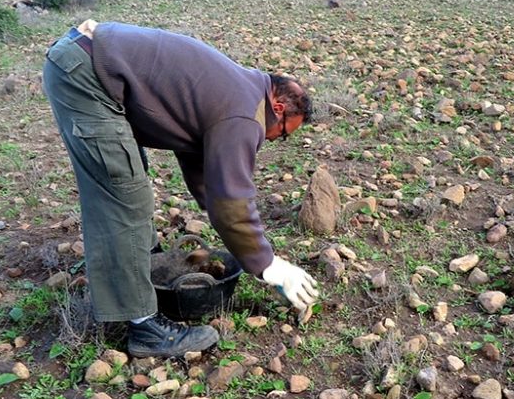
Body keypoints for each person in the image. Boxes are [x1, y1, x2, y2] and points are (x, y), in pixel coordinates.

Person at [42, 20, 320, 358]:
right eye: (284, 133)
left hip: (86, 60)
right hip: (88, 76)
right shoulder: (245, 114)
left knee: (128, 177)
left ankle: (145, 268)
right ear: (278, 108)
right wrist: (268, 265)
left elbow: (202, 164)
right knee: (123, 195)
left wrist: (231, 226)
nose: (275, 140)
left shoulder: (241, 88)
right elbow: (230, 200)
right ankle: (145, 328)